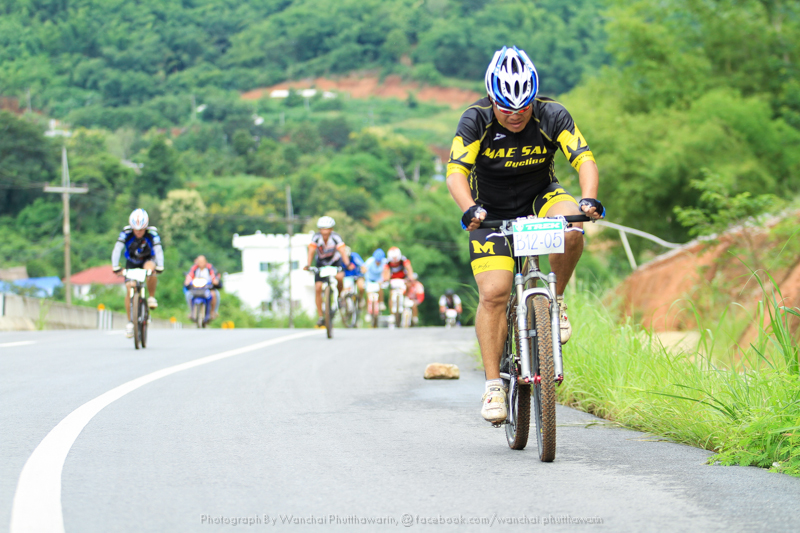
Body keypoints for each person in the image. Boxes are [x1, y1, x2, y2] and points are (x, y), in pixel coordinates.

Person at [445, 46, 605, 424]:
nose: (515, 115)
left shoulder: (552, 114)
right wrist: (469, 208)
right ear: (492, 99)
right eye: (506, 108)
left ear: (534, 98)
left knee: (573, 228)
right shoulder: (475, 119)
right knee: (494, 293)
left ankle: (557, 301)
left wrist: (589, 198)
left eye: (523, 107)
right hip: (490, 211)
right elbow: (455, 172)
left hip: (540, 198)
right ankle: (493, 387)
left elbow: (584, 158)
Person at [111, 208, 164, 338]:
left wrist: (160, 265)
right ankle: (130, 321)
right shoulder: (126, 233)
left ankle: (151, 297)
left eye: (141, 230)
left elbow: (158, 250)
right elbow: (117, 249)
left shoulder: (152, 234)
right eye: (136, 230)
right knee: (130, 287)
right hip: (132, 262)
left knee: (150, 270)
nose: (139, 232)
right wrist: (115, 266)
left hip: (148, 260)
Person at [304, 216, 351, 327]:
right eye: (322, 229)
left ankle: (339, 297)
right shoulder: (316, 237)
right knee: (318, 287)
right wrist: (308, 264)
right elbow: (311, 251)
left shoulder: (336, 237)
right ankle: (321, 316)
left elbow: (342, 251)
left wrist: (348, 264)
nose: (324, 232)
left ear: (331, 229)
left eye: (327, 229)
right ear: (319, 230)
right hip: (321, 263)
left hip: (334, 261)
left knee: (340, 277)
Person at [184, 255, 221, 320]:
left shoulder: (209, 268)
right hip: (196, 288)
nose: (201, 263)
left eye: (202, 261)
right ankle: (191, 311)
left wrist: (215, 280)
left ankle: (213, 312)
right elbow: (189, 275)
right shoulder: (194, 268)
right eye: (199, 261)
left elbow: (214, 275)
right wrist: (187, 281)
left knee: (215, 294)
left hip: (207, 287)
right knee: (188, 294)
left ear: (205, 261)